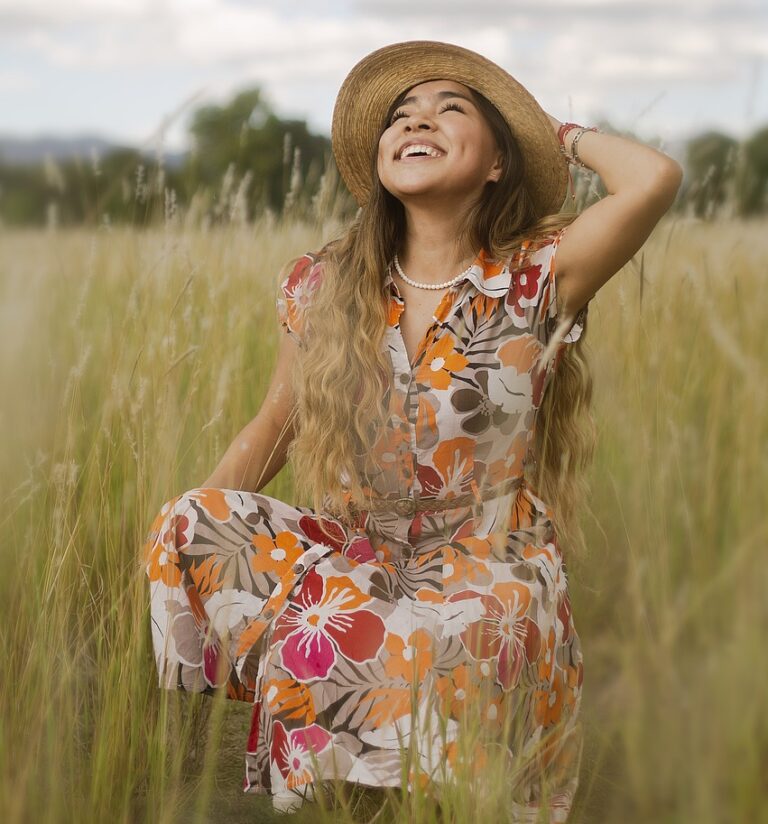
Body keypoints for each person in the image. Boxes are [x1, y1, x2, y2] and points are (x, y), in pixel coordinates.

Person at [142, 40, 682, 820]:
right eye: (401, 115)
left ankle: (398, 765)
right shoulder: (319, 283)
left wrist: (550, 129)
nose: (416, 120)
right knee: (190, 522)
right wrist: (193, 535)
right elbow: (276, 421)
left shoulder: (537, 272)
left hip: (487, 565)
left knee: (427, 632)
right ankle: (346, 755)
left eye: (449, 110)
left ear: (497, 162)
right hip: (359, 558)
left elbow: (654, 178)